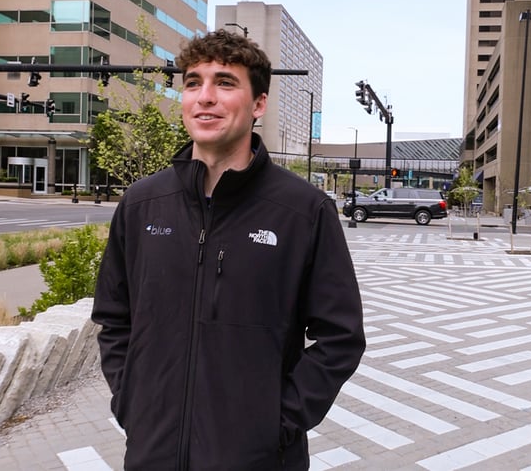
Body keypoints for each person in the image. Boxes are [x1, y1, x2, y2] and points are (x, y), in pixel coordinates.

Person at [91, 29, 366, 470]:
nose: (205, 97)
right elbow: (113, 318)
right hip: (152, 453)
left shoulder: (303, 212)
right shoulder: (142, 204)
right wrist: (131, 403)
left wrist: (277, 423)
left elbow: (341, 338)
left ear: (258, 104)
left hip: (257, 458)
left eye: (225, 82)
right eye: (193, 83)